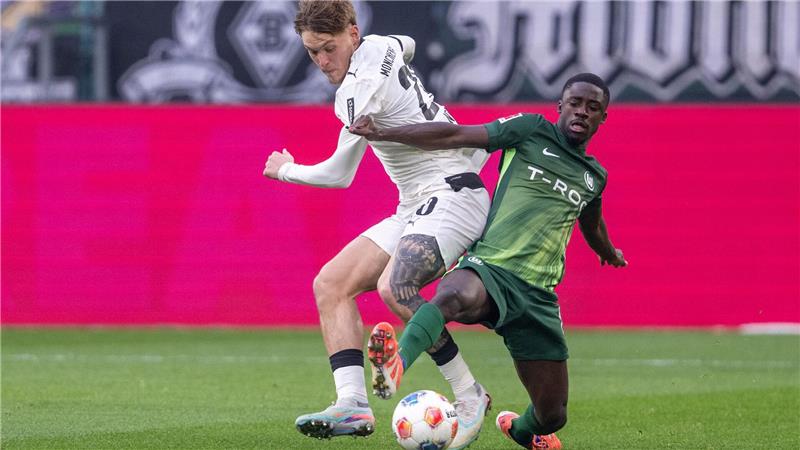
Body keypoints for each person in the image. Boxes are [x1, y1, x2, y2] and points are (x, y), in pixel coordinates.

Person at [350, 73, 628, 449]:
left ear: (603, 118)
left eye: (593, 108)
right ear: (560, 107)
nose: (582, 112)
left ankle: (522, 431)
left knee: (553, 414)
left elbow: (592, 225)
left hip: (538, 296)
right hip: (492, 268)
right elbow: (454, 135)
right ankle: (397, 363)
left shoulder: (594, 176)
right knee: (451, 294)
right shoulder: (530, 130)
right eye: (575, 103)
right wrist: (384, 133)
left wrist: (608, 252)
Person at [262, 1, 492, 446]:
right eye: (312, 52)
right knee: (330, 284)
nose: (323, 62)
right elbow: (406, 46)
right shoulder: (383, 44)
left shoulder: (354, 95)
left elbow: (339, 174)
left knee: (394, 287)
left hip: (454, 193)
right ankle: (351, 404)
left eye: (329, 48)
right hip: (416, 203)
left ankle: (469, 395)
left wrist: (285, 170)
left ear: (352, 32)